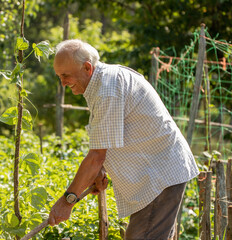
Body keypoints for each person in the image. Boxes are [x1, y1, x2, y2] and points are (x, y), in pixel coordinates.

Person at [48, 39, 199, 239]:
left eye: (66, 75)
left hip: (158, 176)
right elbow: (107, 142)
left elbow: (96, 156)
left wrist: (67, 201)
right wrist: (99, 171)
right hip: (158, 174)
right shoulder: (102, 84)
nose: (63, 83)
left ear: (87, 67)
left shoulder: (107, 89)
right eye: (60, 77)